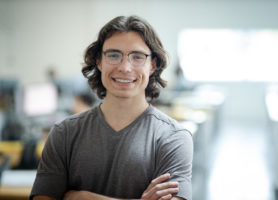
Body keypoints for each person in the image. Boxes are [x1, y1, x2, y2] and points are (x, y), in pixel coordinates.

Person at [30, 15, 193, 200]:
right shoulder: (64, 133)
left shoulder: (173, 138)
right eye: (114, 55)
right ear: (99, 61)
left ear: (153, 65)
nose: (125, 67)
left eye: (138, 57)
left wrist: (80, 197)